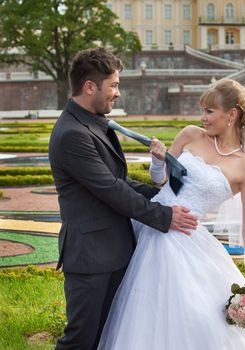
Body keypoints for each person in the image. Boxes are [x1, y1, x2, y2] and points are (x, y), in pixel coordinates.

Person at [97, 78, 245, 349]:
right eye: (203, 111)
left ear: (231, 114)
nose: (203, 117)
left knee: (190, 311)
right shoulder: (190, 134)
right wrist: (157, 159)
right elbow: (160, 181)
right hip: (150, 222)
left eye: (209, 111)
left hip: (186, 238)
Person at [48, 47, 197, 350]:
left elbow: (120, 181)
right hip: (90, 257)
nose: (117, 93)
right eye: (113, 85)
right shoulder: (72, 134)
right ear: (90, 87)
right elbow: (111, 191)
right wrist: (165, 217)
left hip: (114, 250)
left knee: (106, 337)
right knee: (81, 340)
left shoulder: (91, 123)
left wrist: (164, 197)